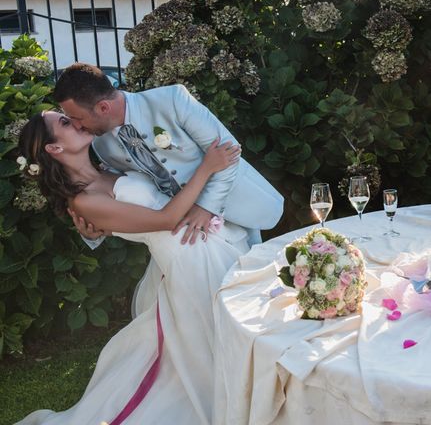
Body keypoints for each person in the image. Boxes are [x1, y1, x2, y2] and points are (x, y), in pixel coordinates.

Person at [16, 110, 245, 424]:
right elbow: (165, 219)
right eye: (66, 123)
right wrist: (207, 168)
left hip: (202, 246)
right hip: (186, 260)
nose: (78, 122)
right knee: (216, 343)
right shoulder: (83, 201)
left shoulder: (109, 165)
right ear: (54, 149)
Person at [53, 63, 283, 248]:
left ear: (103, 108)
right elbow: (119, 196)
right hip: (187, 238)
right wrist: (94, 233)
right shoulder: (101, 145)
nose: (77, 127)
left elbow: (228, 152)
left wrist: (206, 207)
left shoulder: (172, 100)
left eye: (78, 119)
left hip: (238, 202)